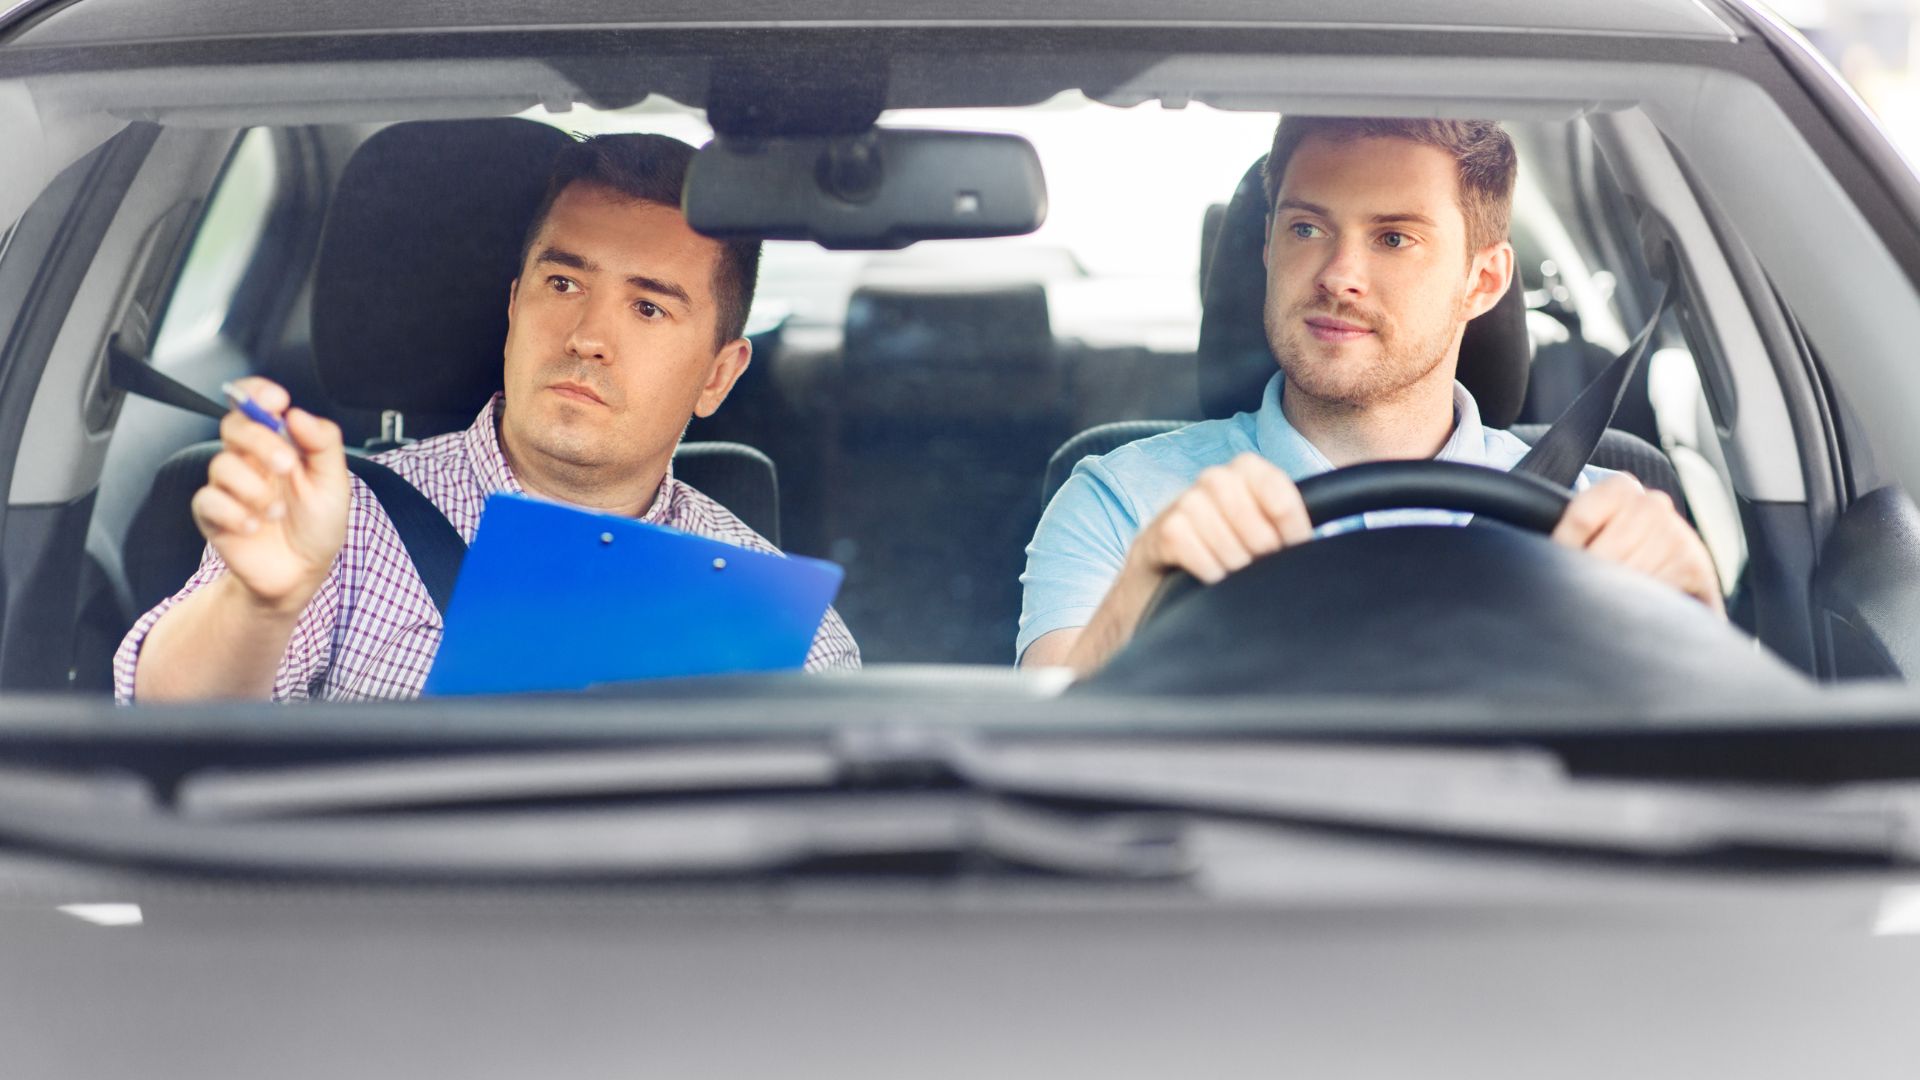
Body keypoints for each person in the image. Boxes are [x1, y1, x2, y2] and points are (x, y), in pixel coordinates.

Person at [116, 132, 859, 702]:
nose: (587, 338)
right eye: (563, 281)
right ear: (514, 307)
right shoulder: (338, 520)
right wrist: (257, 606)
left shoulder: (792, 636)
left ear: (719, 374)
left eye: (647, 306)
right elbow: (169, 720)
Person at [1018, 116, 1720, 676]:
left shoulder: (1600, 525)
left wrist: (1701, 621)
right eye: (1306, 228)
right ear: (1266, 247)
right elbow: (1036, 764)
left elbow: (1713, 799)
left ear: (1482, 280)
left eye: (1393, 237)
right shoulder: (1127, 499)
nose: (1338, 275)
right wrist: (1146, 594)